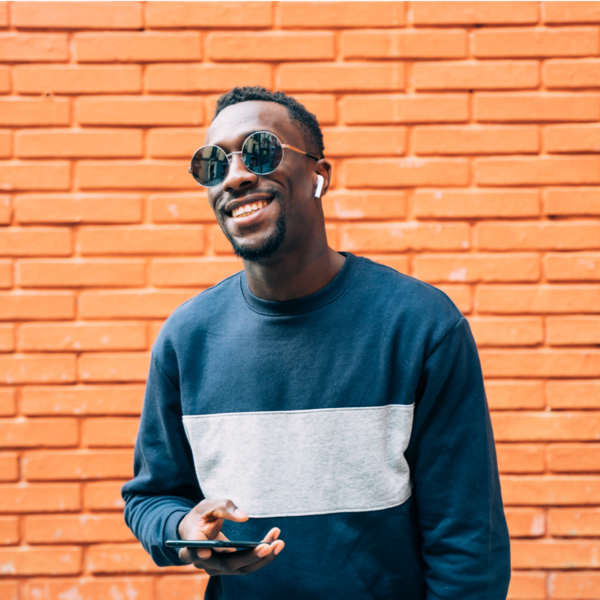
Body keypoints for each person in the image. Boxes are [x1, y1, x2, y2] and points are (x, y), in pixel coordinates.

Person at [122, 86, 511, 600]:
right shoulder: (186, 338)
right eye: (213, 164)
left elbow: (467, 542)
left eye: (259, 150)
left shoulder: (420, 326)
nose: (235, 176)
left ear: (319, 176)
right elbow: (151, 497)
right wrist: (183, 531)